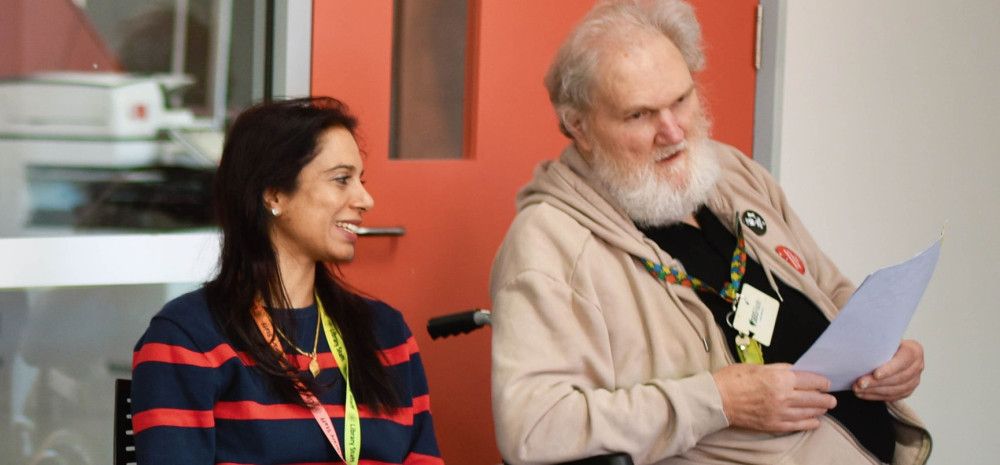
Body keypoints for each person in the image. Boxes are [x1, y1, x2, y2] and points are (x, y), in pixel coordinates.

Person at [489, 1, 931, 464]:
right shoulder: (548, 242)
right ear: (579, 126)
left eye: (682, 98)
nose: (673, 131)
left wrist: (888, 355)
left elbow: (830, 289)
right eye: (640, 115)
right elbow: (534, 429)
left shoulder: (734, 174)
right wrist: (716, 400)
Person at [131, 97, 443, 465]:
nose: (365, 199)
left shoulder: (388, 335)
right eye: (341, 179)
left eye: (361, 180)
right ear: (274, 194)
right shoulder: (187, 338)